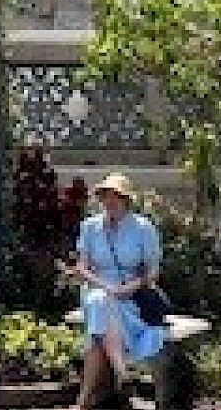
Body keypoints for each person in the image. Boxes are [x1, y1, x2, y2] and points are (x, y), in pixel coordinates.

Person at [67, 173, 166, 410]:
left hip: (130, 293)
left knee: (97, 336)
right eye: (105, 196)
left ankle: (85, 401)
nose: (109, 202)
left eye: (115, 197)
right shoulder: (90, 227)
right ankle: (122, 372)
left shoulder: (143, 228)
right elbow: (81, 268)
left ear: (126, 200)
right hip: (96, 288)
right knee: (100, 301)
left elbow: (153, 272)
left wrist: (126, 288)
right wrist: (105, 286)